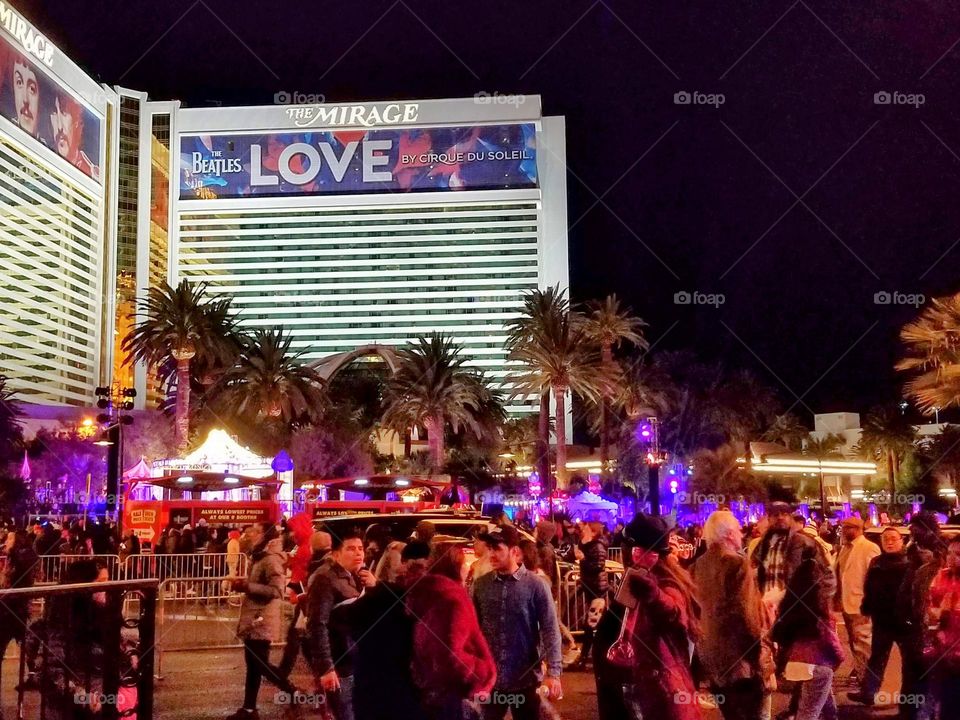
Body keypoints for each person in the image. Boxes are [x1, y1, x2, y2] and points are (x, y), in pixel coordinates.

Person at [615, 513, 702, 720]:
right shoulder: (641, 577)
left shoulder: (665, 582)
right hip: (648, 682)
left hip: (662, 686)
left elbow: (674, 612)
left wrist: (654, 595)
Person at [472, 525, 562, 720]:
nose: (491, 554)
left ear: (514, 551)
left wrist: (554, 673)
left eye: (497, 549)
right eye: (490, 548)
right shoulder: (480, 585)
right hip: (491, 680)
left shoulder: (536, 585)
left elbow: (550, 629)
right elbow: (473, 630)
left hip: (526, 679)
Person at [692, 510, 769, 720]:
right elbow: (745, 613)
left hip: (710, 654)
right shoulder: (736, 564)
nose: (741, 534)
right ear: (728, 534)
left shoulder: (699, 565)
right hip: (738, 658)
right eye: (737, 529)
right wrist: (756, 653)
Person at [406, 542, 496, 720]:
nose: (467, 567)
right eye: (464, 562)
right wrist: (481, 669)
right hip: (452, 694)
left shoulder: (427, 592)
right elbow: (449, 654)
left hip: (429, 689)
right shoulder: (451, 599)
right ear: (455, 566)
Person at [347, 541, 431, 720]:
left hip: (372, 687)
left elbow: (349, 623)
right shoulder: (427, 601)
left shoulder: (378, 595)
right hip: (406, 690)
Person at [227, 522, 295, 720]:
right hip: (254, 618)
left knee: (259, 664)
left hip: (262, 618)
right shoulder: (258, 557)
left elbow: (276, 590)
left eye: (255, 532)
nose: (250, 535)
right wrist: (243, 584)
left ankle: (291, 690)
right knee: (253, 665)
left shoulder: (270, 559)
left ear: (266, 536)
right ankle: (249, 709)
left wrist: (247, 587)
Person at [307, 528, 376, 720]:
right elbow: (317, 625)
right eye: (351, 549)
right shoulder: (325, 578)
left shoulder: (357, 576)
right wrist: (326, 668)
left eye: (360, 548)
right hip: (340, 664)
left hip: (356, 660)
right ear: (336, 554)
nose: (358, 553)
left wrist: (374, 586)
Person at [772, 554, 843, 720]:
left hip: (794, 665)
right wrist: (839, 659)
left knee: (824, 703)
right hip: (819, 666)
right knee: (809, 713)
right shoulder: (820, 612)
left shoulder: (788, 608)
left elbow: (777, 634)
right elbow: (831, 642)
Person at [849, 526, 910, 706]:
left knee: (909, 660)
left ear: (902, 541)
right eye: (885, 539)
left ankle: (908, 696)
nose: (889, 542)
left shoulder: (909, 562)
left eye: (893, 539)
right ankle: (868, 693)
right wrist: (866, 608)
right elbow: (869, 586)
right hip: (882, 619)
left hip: (904, 620)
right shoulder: (877, 562)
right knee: (877, 657)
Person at [896, 511, 946, 719]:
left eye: (914, 527)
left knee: (927, 674)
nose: (911, 531)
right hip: (913, 622)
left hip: (929, 624)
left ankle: (920, 712)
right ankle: (909, 710)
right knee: (912, 671)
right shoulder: (913, 549)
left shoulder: (938, 553)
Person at [834, 516, 880, 686]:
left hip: (861, 604)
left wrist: (870, 602)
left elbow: (874, 578)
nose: (844, 531)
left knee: (864, 644)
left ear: (858, 529)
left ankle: (869, 682)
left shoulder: (869, 547)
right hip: (847, 604)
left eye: (848, 527)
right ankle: (862, 678)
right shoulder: (844, 548)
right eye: (843, 527)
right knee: (855, 644)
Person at [0, 529, 38, 702]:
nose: (6, 542)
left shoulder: (22, 556)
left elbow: (20, 575)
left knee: (24, 643)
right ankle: (33, 674)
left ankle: (34, 674)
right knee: (25, 644)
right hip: (13, 607)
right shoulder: (16, 556)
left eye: (9, 539)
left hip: (14, 609)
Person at [928, 535, 960, 717]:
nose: (952, 558)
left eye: (959, 554)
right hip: (945, 655)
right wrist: (940, 612)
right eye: (949, 553)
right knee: (946, 706)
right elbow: (930, 611)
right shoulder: (942, 577)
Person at [575, 520, 608, 669]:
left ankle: (586, 657)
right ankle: (592, 656)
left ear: (593, 532)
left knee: (591, 624)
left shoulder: (598, 547)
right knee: (593, 624)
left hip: (597, 589)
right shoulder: (589, 545)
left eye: (587, 529)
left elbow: (598, 566)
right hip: (591, 587)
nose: (583, 530)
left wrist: (583, 560)